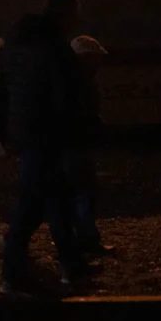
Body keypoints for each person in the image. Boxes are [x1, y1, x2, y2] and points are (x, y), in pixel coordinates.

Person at [0, 0, 87, 296]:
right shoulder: (56, 48)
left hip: (24, 131)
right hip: (46, 133)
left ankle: (70, 265)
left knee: (48, 198)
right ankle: (15, 271)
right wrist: (73, 131)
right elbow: (64, 94)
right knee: (36, 203)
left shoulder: (18, 44)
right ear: (66, 15)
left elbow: (2, 88)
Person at [67, 35, 113, 256]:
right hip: (76, 144)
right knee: (84, 192)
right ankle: (86, 241)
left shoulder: (70, 79)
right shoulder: (80, 83)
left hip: (72, 143)